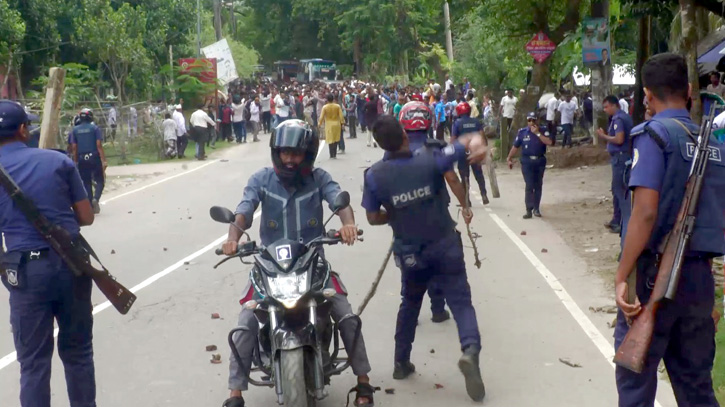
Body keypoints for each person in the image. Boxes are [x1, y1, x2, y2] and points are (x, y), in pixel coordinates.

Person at [221, 120, 376, 407]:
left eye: (296, 154)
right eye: (284, 153)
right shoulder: (261, 180)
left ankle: (364, 383)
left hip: (313, 264)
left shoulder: (319, 178)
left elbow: (340, 203)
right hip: (268, 267)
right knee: (245, 323)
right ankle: (235, 394)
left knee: (346, 316)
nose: (289, 160)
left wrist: (349, 224)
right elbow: (243, 212)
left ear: (308, 153)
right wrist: (233, 239)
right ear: (275, 153)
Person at [614, 52, 725, 407]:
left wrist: (622, 275)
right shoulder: (716, 146)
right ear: (689, 90)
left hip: (653, 275)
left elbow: (644, 214)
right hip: (699, 280)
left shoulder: (653, 135)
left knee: (635, 385)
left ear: (647, 94)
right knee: (696, 387)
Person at [362, 113, 487, 402]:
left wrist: (394, 212)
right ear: (406, 135)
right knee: (461, 302)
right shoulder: (432, 157)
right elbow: (466, 142)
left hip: (410, 253)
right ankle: (469, 350)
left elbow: (372, 217)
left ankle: (400, 362)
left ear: (380, 144)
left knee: (410, 303)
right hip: (444, 245)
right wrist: (478, 141)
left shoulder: (374, 175)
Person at [0, 99, 96, 407]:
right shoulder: (57, 161)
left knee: (33, 364)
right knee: (79, 353)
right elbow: (86, 217)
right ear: (24, 130)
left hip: (26, 272)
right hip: (72, 264)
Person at [596, 95, 633, 234]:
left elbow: (619, 139)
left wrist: (603, 136)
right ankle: (616, 220)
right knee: (616, 189)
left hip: (621, 158)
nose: (605, 110)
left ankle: (622, 222)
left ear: (614, 105)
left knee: (620, 190)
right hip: (621, 158)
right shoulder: (623, 117)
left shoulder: (619, 119)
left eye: (606, 107)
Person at [505, 112, 554, 219]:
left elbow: (549, 142)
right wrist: (509, 158)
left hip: (539, 160)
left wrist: (537, 133)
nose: (531, 122)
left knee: (538, 185)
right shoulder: (522, 132)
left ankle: (536, 208)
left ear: (537, 121)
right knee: (529, 184)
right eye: (529, 120)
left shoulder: (543, 130)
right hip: (527, 161)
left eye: (533, 120)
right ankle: (529, 209)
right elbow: (515, 146)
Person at [69, 108, 107, 214]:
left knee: (86, 183)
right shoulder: (95, 128)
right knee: (100, 180)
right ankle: (96, 198)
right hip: (94, 157)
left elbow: (74, 147)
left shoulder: (75, 130)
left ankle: (90, 204)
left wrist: (76, 161)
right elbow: (99, 145)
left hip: (81, 158)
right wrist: (103, 160)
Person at [452, 102, 489, 205]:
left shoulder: (457, 123)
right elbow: (482, 135)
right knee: (479, 174)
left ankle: (467, 199)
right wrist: (484, 149)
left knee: (464, 176)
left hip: (462, 152)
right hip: (475, 151)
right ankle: (483, 194)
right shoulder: (476, 122)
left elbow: (453, 139)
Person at [319, 94, 345, 158]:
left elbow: (321, 117)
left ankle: (331, 154)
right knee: (336, 139)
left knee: (330, 139)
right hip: (336, 124)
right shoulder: (337, 106)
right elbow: (341, 116)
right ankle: (335, 154)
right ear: (333, 99)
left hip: (329, 124)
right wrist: (343, 123)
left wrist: (319, 124)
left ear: (327, 100)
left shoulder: (325, 107)